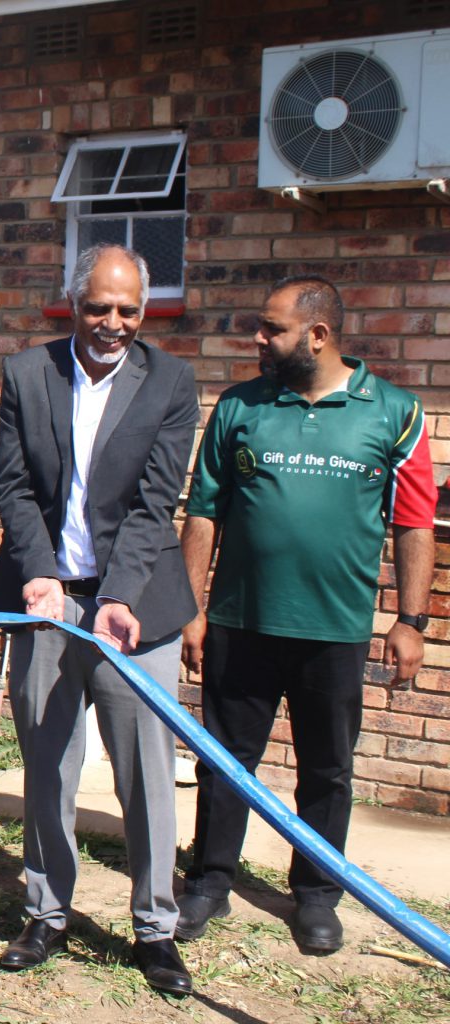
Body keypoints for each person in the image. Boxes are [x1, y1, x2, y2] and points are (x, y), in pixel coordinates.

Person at [175, 276, 436, 954]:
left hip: (336, 631)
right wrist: (192, 610)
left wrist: (411, 620)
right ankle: (210, 878)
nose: (259, 339)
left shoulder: (397, 413)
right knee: (225, 761)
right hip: (240, 621)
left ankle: (317, 894)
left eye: (272, 329)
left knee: (327, 769)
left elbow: (413, 524)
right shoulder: (239, 406)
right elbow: (203, 511)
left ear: (316, 336)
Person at [0, 243, 199, 996]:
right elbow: (13, 486)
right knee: (47, 764)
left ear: (145, 311)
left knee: (146, 775)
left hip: (134, 607)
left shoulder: (170, 380)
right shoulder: (26, 372)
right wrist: (40, 572)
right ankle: (46, 911)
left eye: (129, 310)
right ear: (72, 304)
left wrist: (119, 596)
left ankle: (156, 928)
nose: (113, 323)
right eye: (99, 307)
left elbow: (155, 500)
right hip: (46, 598)